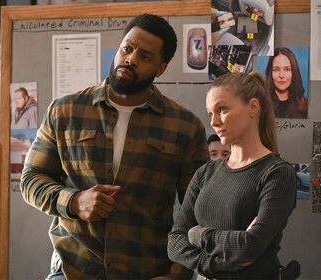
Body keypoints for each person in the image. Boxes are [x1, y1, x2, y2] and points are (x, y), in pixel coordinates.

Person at [20, 14, 209, 280]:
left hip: (147, 271)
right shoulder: (65, 111)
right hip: (74, 269)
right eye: (127, 48)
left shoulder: (185, 127)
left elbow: (198, 212)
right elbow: (31, 179)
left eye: (145, 56)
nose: (130, 59)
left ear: (161, 68)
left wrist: (177, 274)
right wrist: (73, 201)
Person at [168, 71, 296, 279]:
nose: (214, 122)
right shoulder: (205, 173)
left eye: (222, 109)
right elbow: (174, 242)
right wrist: (214, 264)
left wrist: (197, 234)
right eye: (210, 113)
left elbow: (249, 246)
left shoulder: (278, 174)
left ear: (253, 107)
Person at [265, 47, 307, 118]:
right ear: (270, 73)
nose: (281, 75)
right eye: (276, 69)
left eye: (287, 69)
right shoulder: (261, 105)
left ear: (294, 72)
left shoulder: (305, 106)